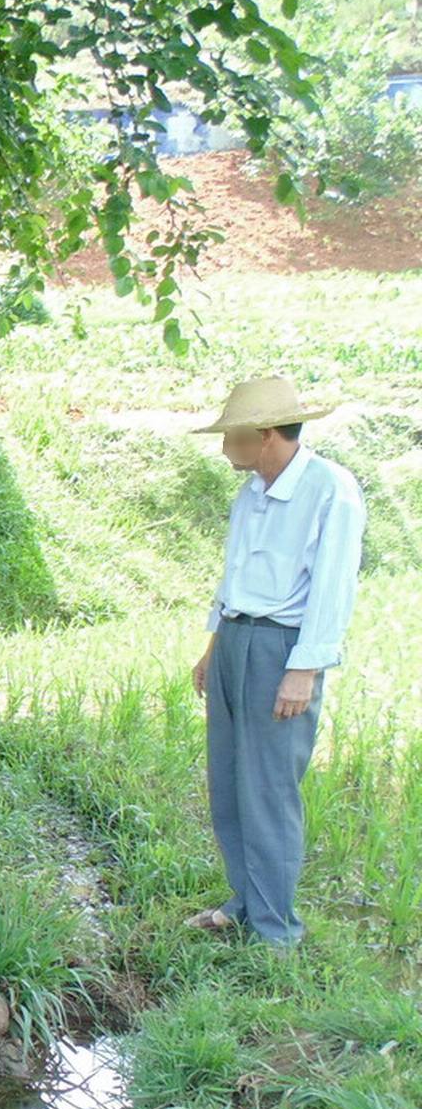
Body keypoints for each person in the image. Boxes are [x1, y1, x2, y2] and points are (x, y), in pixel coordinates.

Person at [187, 375, 364, 946]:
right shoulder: (253, 492)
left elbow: (332, 588)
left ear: (265, 435)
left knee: (268, 788)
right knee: (229, 782)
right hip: (238, 639)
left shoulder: (329, 488)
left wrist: (304, 669)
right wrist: (213, 647)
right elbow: (235, 576)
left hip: (282, 648)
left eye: (232, 436)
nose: (224, 448)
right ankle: (244, 900)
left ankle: (275, 932)